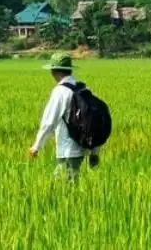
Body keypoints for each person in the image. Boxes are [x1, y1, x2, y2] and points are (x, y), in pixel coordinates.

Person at [29, 53, 99, 182]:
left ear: (54, 71)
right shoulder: (83, 88)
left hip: (68, 149)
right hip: (84, 147)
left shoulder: (60, 92)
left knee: (62, 188)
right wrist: (94, 151)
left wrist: (36, 146)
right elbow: (93, 120)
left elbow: (49, 122)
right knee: (74, 184)